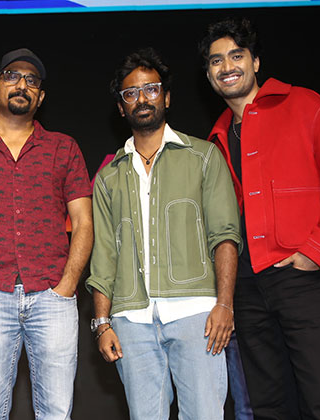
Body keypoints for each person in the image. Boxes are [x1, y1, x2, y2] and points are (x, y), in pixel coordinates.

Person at [200, 17, 320, 419]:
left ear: (256, 62)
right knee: (269, 406)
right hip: (247, 286)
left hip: (302, 277)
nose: (227, 67)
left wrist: (317, 251)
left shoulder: (306, 106)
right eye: (216, 61)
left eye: (236, 56)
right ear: (208, 74)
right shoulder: (216, 138)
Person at [86, 48, 240, 419]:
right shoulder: (108, 177)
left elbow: (225, 236)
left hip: (197, 315)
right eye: (131, 93)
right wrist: (102, 323)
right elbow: (104, 255)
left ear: (166, 98)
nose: (142, 99)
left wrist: (224, 304)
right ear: (121, 107)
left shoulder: (203, 157)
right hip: (130, 321)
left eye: (151, 89)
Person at [0, 48, 93, 420]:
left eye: (31, 80)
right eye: (12, 76)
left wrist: (66, 286)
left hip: (53, 297)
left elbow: (84, 223)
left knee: (57, 411)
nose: (21, 85)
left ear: (40, 97)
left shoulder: (64, 148)